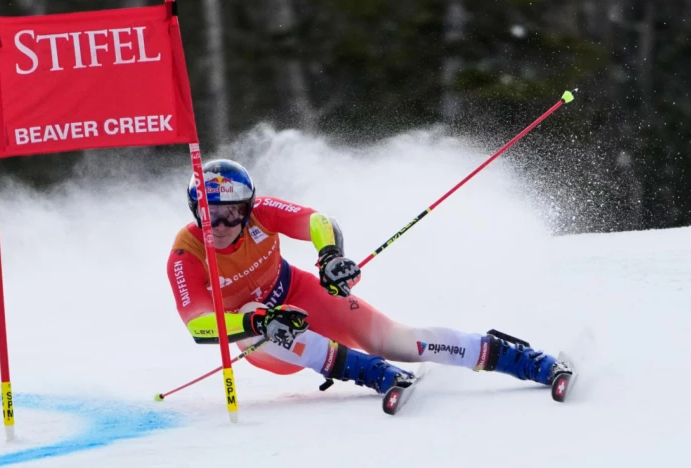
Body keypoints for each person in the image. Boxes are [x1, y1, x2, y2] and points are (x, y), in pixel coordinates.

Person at [167, 159, 569, 395]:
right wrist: (255, 320)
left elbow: (316, 220)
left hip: (297, 291)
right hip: (255, 334)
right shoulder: (187, 254)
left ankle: (511, 357)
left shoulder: (262, 213)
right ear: (194, 212)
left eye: (231, 213)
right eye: (208, 214)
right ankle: (368, 372)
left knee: (395, 339)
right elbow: (200, 328)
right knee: (264, 319)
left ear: (247, 208)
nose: (219, 225)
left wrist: (328, 258)